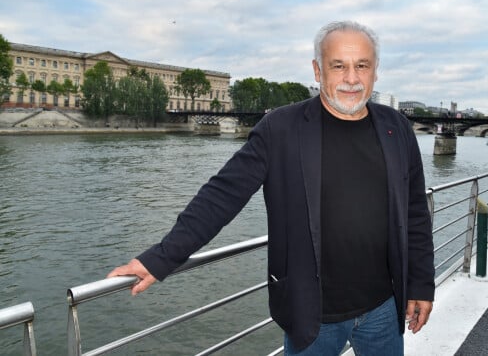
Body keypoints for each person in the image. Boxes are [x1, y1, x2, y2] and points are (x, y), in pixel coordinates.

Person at [107, 21, 435, 355]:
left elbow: (415, 214)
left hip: (383, 306)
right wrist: (160, 258)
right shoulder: (280, 128)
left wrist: (421, 283)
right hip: (312, 314)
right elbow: (222, 196)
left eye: (361, 66)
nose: (352, 78)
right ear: (318, 71)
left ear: (375, 71)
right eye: (339, 66)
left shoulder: (397, 128)